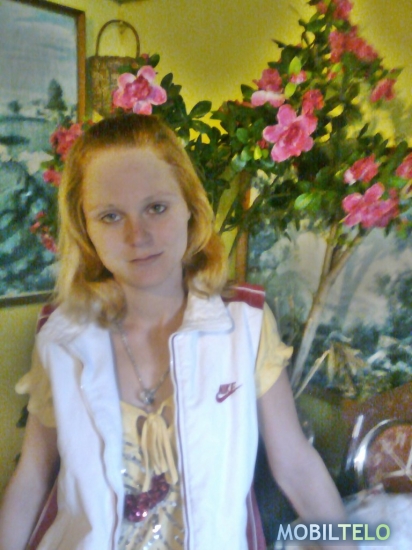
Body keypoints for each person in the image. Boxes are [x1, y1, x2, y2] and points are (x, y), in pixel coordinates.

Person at [0, 113, 356, 550]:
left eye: (156, 207)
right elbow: (33, 477)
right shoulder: (60, 339)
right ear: (85, 228)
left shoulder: (244, 326)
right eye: (110, 216)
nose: (138, 236)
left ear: (190, 207)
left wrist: (350, 544)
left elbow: (296, 465)